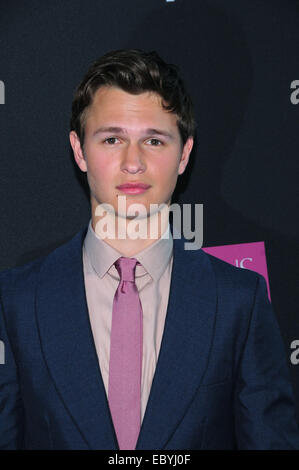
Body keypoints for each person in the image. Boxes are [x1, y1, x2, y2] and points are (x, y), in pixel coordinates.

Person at [0, 49, 298, 450]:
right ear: (78, 150)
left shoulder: (237, 301)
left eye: (154, 140)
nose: (133, 162)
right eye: (112, 139)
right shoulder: (16, 300)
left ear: (184, 154)